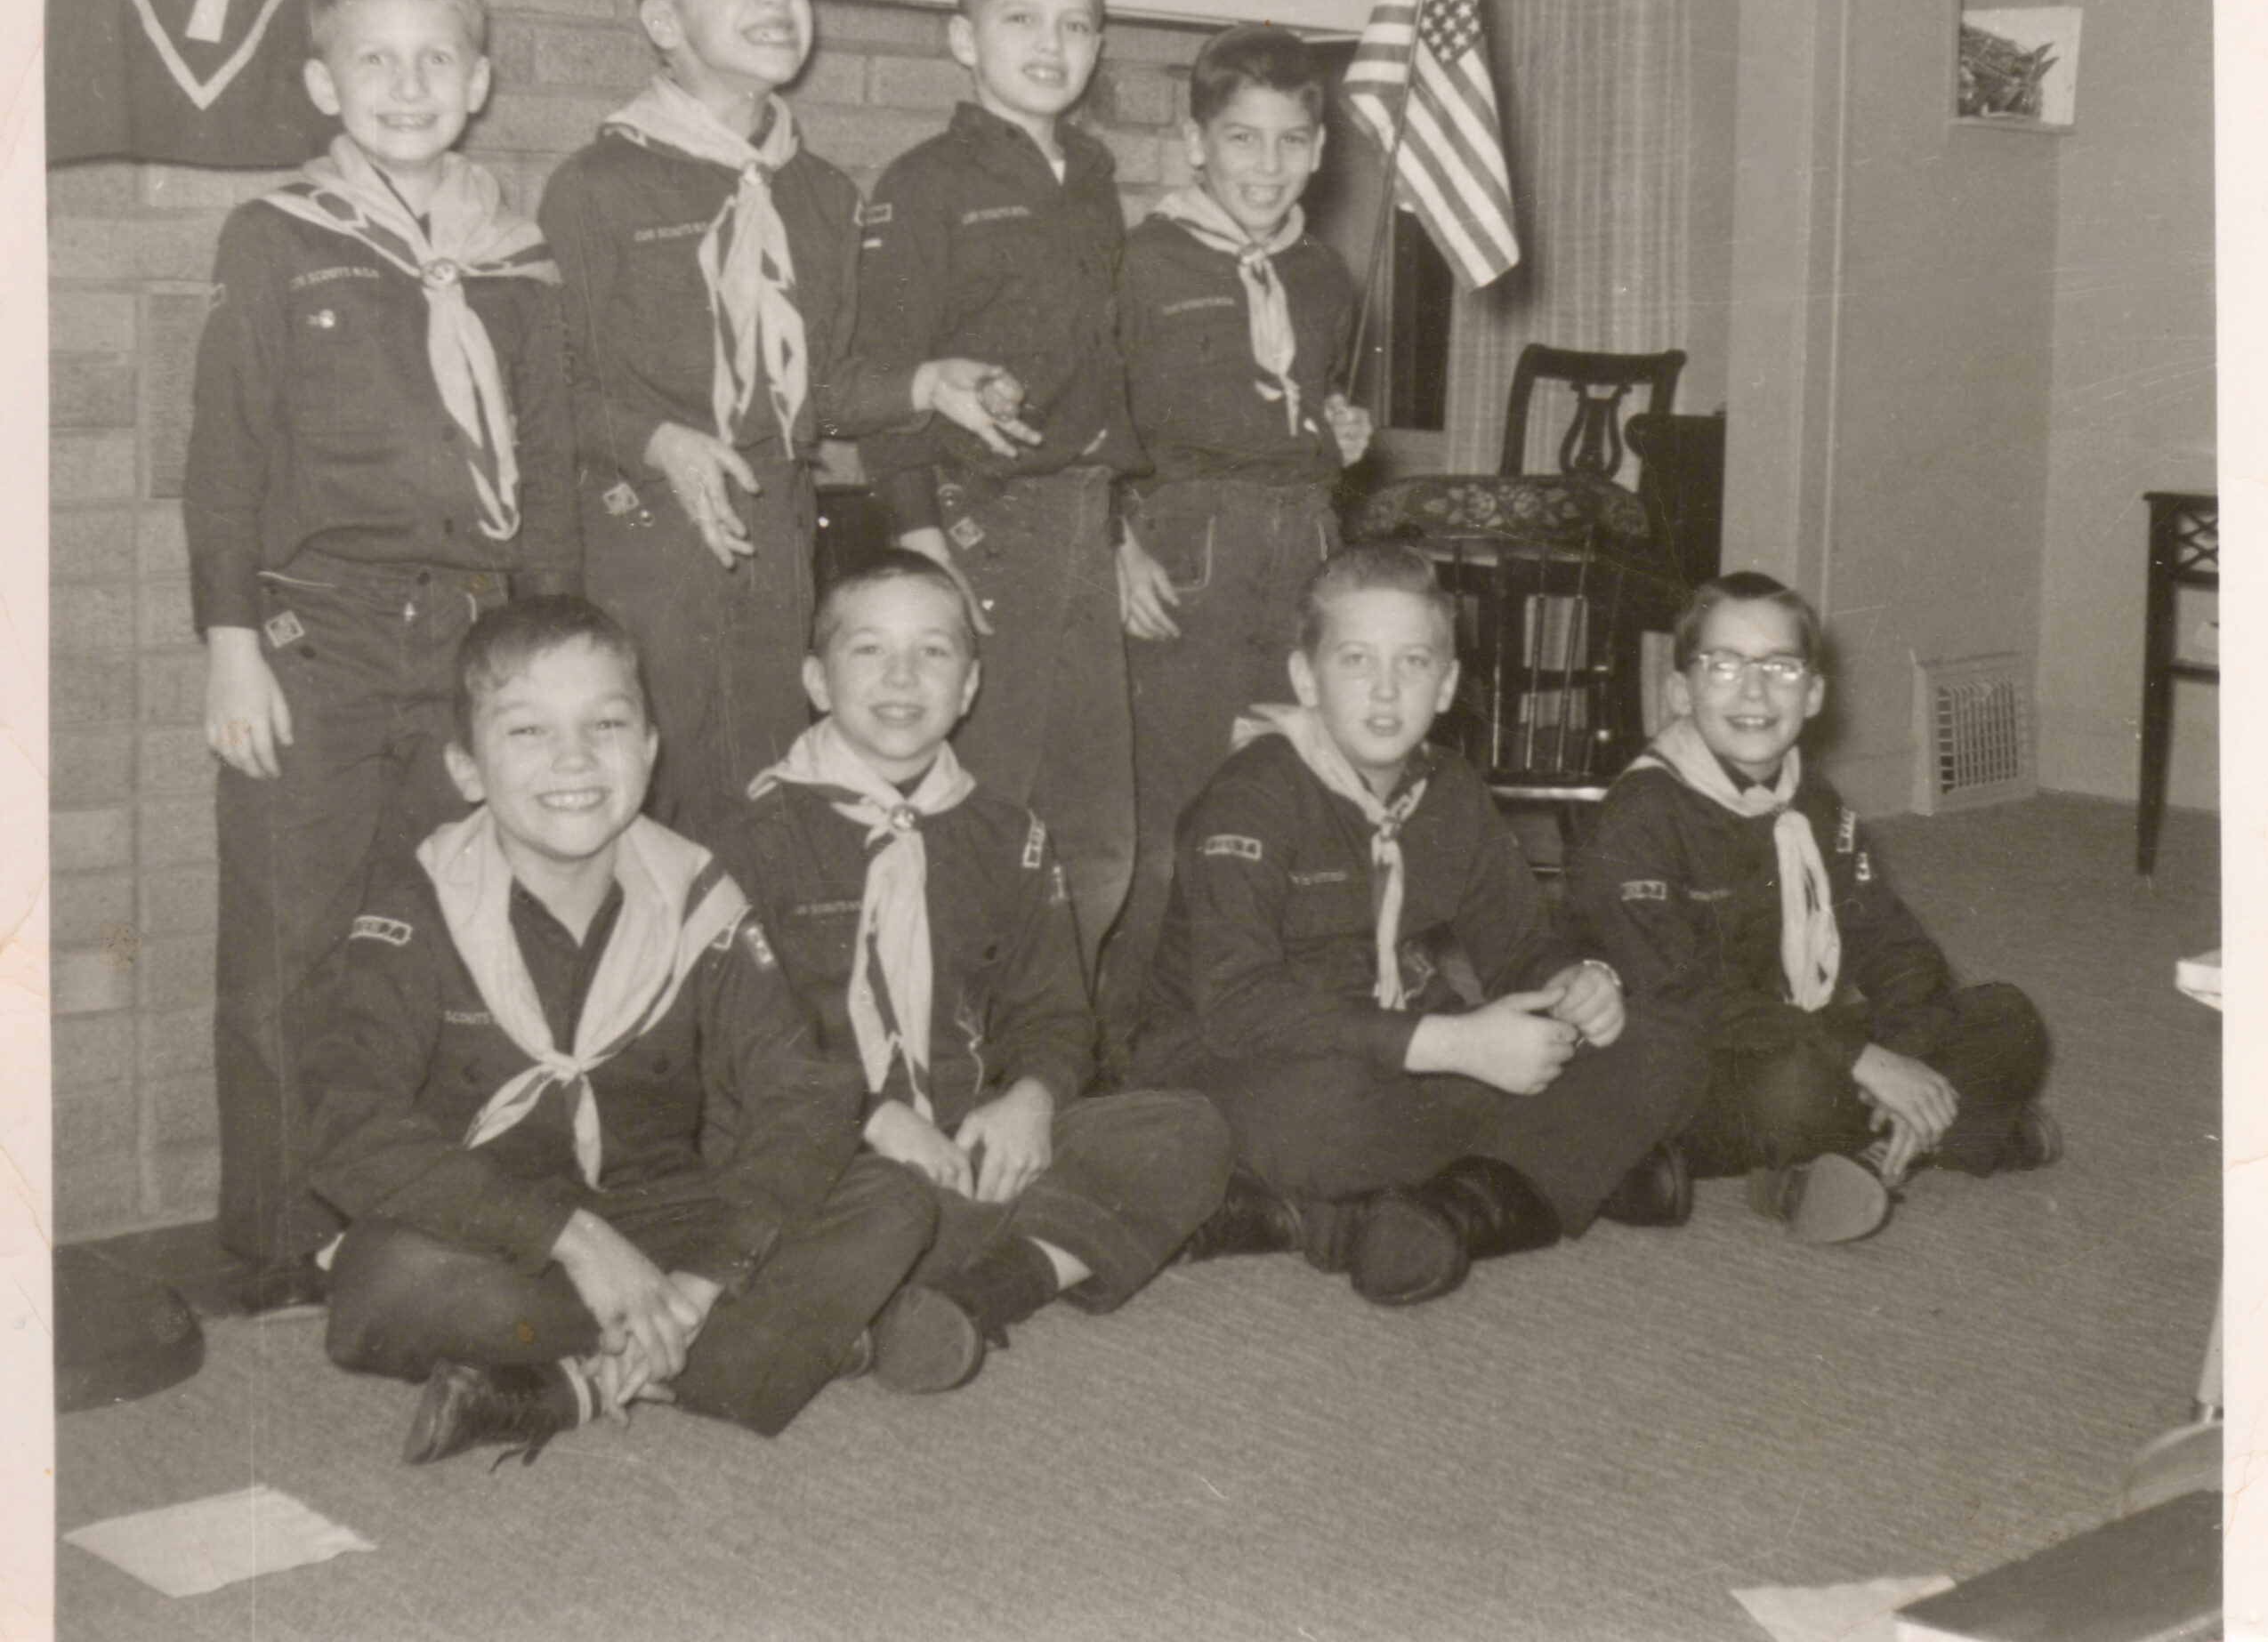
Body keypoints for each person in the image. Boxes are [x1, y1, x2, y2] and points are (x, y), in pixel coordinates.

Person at [308, 596, 938, 1465]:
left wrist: (703, 1277)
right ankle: (778, 1349)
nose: (573, 757)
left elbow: (799, 1091)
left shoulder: (695, 893)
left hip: (669, 1220)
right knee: (385, 1283)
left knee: (892, 1198)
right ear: (466, 768)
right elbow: (350, 1126)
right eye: (527, 731)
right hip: (499, 1232)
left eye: (605, 724)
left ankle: (577, 1385)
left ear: (647, 749)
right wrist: (575, 1240)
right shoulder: (420, 910)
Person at [183, 0, 578, 1305]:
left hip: (469, 638)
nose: (406, 85)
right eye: (374, 59)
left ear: (479, 83)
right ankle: (282, 1242)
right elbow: (226, 457)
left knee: (448, 930)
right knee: (287, 947)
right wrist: (231, 642)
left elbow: (549, 463)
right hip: (316, 640)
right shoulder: (276, 237)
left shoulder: (520, 262)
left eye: (435, 60)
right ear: (322, 83)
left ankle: (429, 1207)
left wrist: (546, 660)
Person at [539, 0, 1035, 825]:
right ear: (664, 22)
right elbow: (548, 391)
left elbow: (824, 389)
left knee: (763, 794)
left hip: (774, 540)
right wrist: (659, 442)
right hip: (643, 541)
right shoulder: (598, 186)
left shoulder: (821, 196)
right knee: (644, 801)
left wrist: (926, 383)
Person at [706, 554, 1232, 1391]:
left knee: (1188, 1128)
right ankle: (949, 1279)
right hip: (825, 1150)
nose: (902, 678)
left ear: (971, 685)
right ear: (815, 679)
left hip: (963, 1143)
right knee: (834, 1207)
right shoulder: (746, 841)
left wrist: (1031, 1099)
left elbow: (1055, 1015)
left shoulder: (1008, 835)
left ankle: (973, 1293)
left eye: (934, 652)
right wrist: (873, 1121)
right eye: (869, 650)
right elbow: (735, 1052)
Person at [1130, 543, 1706, 1307]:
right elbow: (1239, 1007)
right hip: (1240, 1063)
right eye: (1356, 661)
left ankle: (1411, 1212)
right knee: (1327, 1113)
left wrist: (1576, 981)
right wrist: (1458, 1046)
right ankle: (1529, 1182)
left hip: (1400, 1044)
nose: (1385, 689)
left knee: (1659, 1040)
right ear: (1306, 679)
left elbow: (1521, 945)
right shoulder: (1254, 793)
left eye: (1413, 663)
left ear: (1447, 685)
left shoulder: (1450, 790)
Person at [1565, 571, 2059, 1244]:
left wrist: (1899, 1058)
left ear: (1815, 693)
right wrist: (1865, 1062)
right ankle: (1964, 1134)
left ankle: (1859, 1156)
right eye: (1724, 665)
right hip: (1672, 1065)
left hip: (1793, 1040)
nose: (1754, 691)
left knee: (2010, 1018)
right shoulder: (1641, 815)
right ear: (1679, 691)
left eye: (1781, 668)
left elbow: (1894, 946)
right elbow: (1685, 996)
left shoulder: (1813, 803)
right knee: (1794, 1089)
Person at [848, 0, 1150, 963]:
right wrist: (920, 536)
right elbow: (880, 375)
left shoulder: (1095, 183)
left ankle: (1050, 1038)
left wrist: (1121, 529)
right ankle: (953, 1033)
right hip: (982, 527)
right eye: (1021, 18)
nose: (1051, 45)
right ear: (962, 38)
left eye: (1077, 24)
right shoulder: (922, 186)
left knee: (1096, 833)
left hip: (1083, 523)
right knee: (981, 810)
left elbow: (1106, 375)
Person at [1098, 22, 1372, 1069]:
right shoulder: (1142, 261)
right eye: (1241, 139)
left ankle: (1263, 1045)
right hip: (1187, 556)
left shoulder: (1323, 274)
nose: (1268, 165)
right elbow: (1097, 411)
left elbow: (1302, 403)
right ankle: (1130, 1059)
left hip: (1303, 553)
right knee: (1173, 823)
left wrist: (1340, 429)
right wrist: (1114, 537)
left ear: (1320, 149)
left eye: (1292, 140)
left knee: (1290, 803)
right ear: (1194, 144)